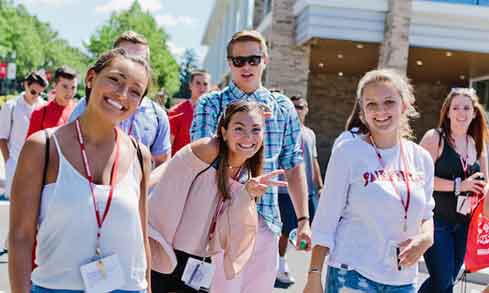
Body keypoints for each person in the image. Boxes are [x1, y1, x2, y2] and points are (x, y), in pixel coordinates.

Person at [9, 48, 152, 293]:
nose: (122, 94)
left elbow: (141, 238)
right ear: (90, 78)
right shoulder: (43, 148)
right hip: (56, 287)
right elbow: (20, 237)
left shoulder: (140, 155)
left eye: (135, 91)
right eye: (115, 80)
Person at [191, 30, 312, 292]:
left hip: (267, 221)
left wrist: (303, 221)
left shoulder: (283, 106)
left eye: (253, 59)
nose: (246, 66)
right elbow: (202, 163)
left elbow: (293, 164)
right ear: (229, 62)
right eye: (239, 60)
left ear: (265, 59)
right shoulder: (211, 104)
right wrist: (245, 127)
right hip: (220, 221)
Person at [303, 69, 435, 293]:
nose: (380, 110)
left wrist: (426, 238)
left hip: (402, 279)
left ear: (404, 106)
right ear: (362, 112)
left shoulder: (420, 158)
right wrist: (314, 275)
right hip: (352, 272)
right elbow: (326, 218)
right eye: (371, 104)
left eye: (389, 101)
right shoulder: (348, 152)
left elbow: (426, 214)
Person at [149, 100, 287, 292]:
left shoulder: (247, 173)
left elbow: (226, 228)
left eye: (256, 130)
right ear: (223, 132)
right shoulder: (208, 150)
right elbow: (165, 192)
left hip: (201, 262)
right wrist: (158, 250)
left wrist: (246, 195)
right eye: (239, 128)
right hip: (163, 252)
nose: (248, 137)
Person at [418, 87, 488, 293]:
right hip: (436, 221)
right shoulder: (434, 138)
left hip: (465, 225)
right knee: (442, 282)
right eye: (455, 107)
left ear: (474, 113)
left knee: (448, 282)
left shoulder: (478, 144)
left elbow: (486, 183)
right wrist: (460, 186)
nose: (461, 112)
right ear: (447, 112)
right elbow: (419, 179)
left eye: (466, 108)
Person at [69, 31, 171, 166]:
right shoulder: (86, 106)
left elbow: (163, 161)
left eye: (141, 60)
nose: (133, 65)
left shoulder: (158, 116)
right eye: (126, 56)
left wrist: (141, 185)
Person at [276, 96, 323, 286]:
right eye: (293, 107)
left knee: (308, 229)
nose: (297, 110)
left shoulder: (310, 134)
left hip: (309, 192)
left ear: (307, 109)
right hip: (286, 192)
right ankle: (280, 265)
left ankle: (302, 265)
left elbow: (313, 161)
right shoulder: (284, 131)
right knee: (285, 231)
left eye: (300, 107)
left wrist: (319, 186)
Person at [0, 71, 48, 199]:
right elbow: (2, 137)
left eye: (40, 93)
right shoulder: (11, 106)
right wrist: (9, 162)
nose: (36, 96)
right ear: (26, 85)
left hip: (36, 164)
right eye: (33, 92)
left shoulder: (43, 106)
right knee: (12, 201)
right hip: (14, 163)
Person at [26, 66, 78, 138]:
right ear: (54, 85)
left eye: (73, 88)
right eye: (65, 87)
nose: (69, 92)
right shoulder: (40, 113)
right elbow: (31, 147)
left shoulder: (81, 112)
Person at [169, 69, 211, 156]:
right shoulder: (176, 112)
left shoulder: (215, 112)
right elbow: (167, 146)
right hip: (181, 165)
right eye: (198, 83)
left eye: (205, 84)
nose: (202, 88)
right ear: (190, 85)